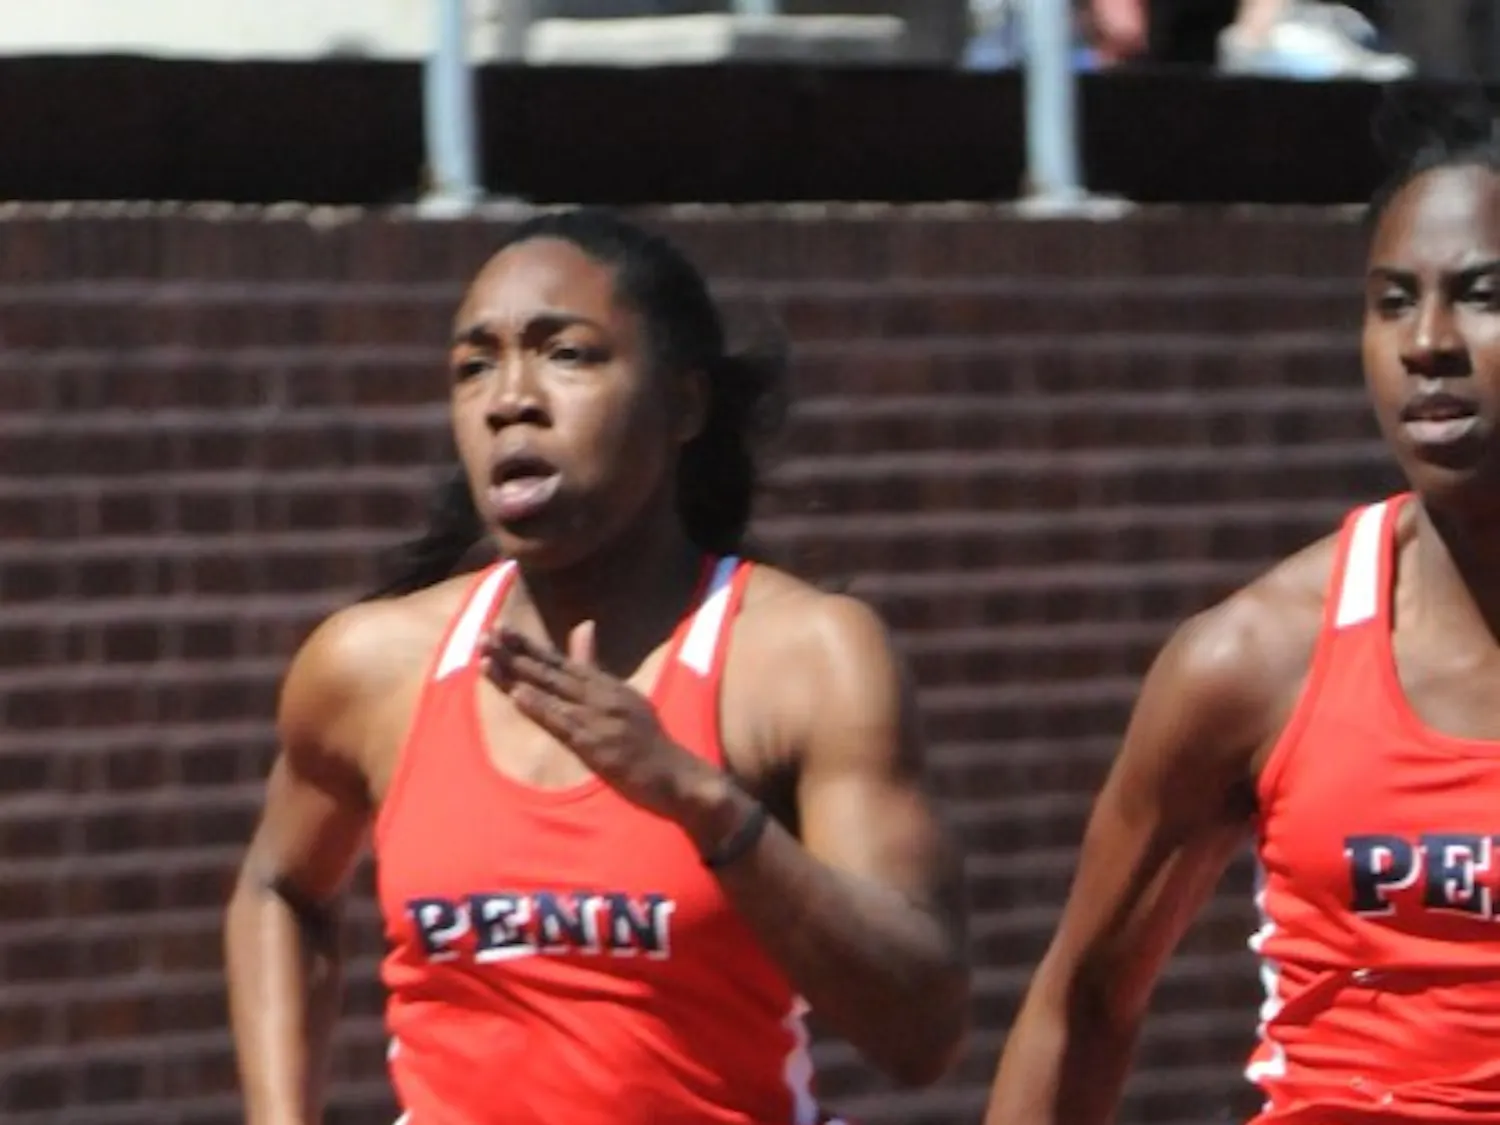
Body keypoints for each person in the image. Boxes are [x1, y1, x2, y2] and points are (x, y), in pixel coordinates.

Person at [223, 207, 971, 1125]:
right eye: (474, 366)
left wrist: (703, 803)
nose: (510, 398)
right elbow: (282, 887)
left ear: (685, 404)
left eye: (565, 354)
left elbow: (922, 1028)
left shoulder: (803, 657)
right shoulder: (371, 664)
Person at [985, 91, 1500, 1125]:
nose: (1427, 343)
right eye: (1392, 300)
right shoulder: (1255, 659)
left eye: (1481, 294)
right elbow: (1080, 1002)